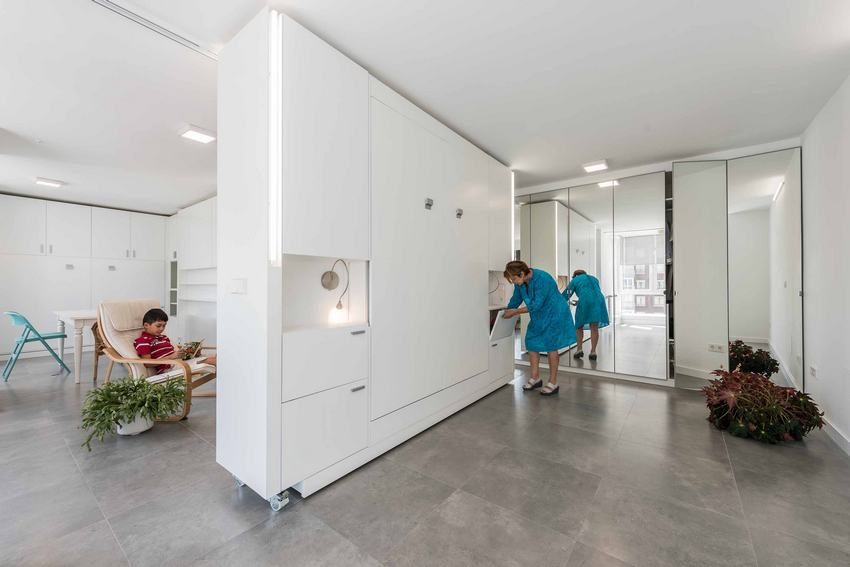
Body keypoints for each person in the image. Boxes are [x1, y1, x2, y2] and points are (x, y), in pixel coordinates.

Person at [503, 261, 576, 396]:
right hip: (539, 315)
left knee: (551, 346)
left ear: (522, 274)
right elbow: (516, 299)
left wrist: (515, 312)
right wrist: (505, 311)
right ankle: (535, 378)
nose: (513, 282)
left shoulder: (542, 279)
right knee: (531, 342)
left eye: (513, 279)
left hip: (554, 313)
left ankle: (553, 382)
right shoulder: (520, 283)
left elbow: (536, 305)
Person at [134, 308, 216, 374]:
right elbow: (147, 363)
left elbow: (174, 353)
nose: (162, 329)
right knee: (211, 361)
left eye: (164, 326)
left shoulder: (163, 337)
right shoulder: (143, 341)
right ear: (146, 325)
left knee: (215, 356)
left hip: (179, 361)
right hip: (170, 368)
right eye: (158, 326)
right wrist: (171, 357)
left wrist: (193, 352)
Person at [563, 269, 609, 361]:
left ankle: (579, 349)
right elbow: (592, 293)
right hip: (599, 301)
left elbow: (567, 294)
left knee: (579, 326)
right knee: (594, 327)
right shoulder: (594, 279)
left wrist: (558, 301)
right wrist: (581, 301)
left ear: (575, 276)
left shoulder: (575, 280)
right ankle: (593, 352)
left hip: (585, 301)